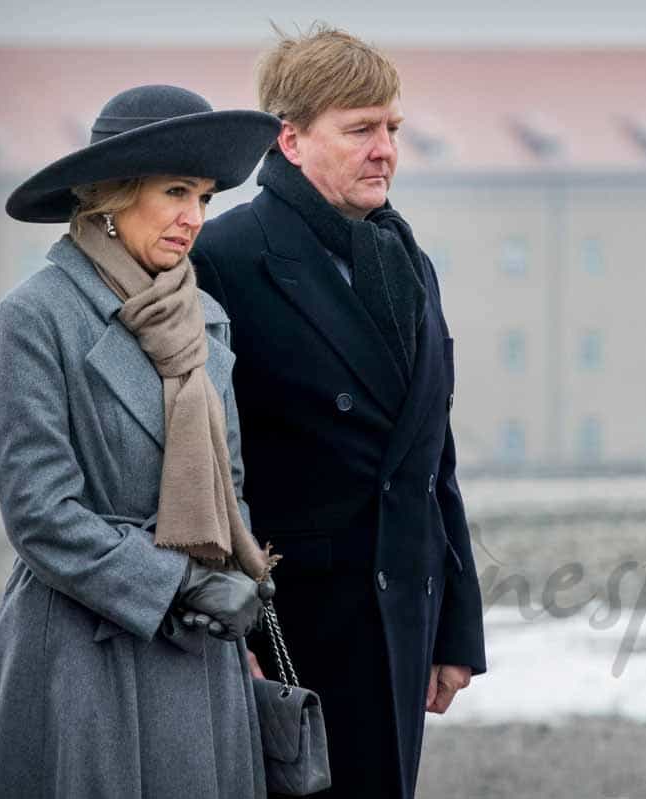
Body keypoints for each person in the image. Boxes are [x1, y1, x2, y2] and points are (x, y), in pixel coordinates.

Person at [0, 85, 281, 799]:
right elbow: (41, 514)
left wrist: (236, 589)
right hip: (82, 657)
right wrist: (176, 583)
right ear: (109, 196)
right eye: (175, 192)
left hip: (203, 657)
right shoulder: (34, 318)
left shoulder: (206, 317)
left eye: (202, 197)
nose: (194, 218)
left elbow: (229, 484)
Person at [191, 26, 487, 799]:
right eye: (359, 130)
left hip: (402, 615)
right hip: (292, 629)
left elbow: (429, 457)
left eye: (392, 128)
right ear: (290, 139)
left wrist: (455, 624)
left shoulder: (403, 257)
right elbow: (202, 471)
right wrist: (228, 636)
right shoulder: (224, 257)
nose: (384, 148)